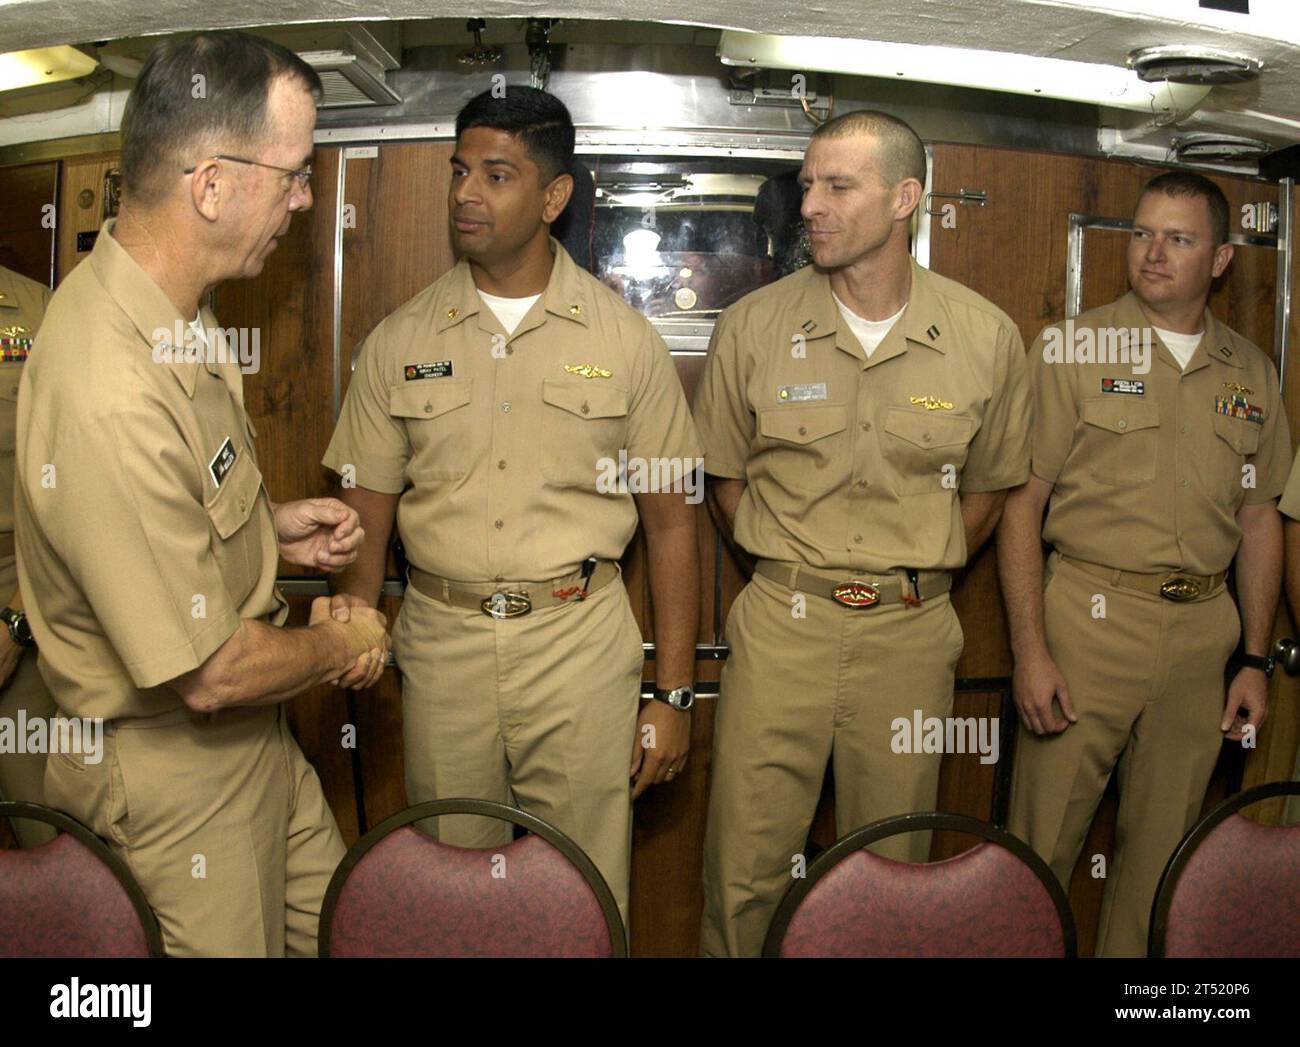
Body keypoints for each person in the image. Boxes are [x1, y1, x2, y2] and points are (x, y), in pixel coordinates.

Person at [16, 30, 390, 957]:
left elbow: (164, 523)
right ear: (213, 185)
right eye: (296, 174)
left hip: (251, 750)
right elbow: (211, 670)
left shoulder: (178, 307)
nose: (304, 200)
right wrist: (342, 639)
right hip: (174, 781)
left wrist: (268, 533)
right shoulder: (107, 382)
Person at [322, 86, 701, 931]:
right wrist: (347, 633)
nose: (466, 192)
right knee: (452, 889)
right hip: (442, 647)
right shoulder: (400, 341)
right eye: (460, 171)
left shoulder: (625, 341)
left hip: (579, 646)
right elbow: (363, 517)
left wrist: (674, 693)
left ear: (554, 196)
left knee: (582, 892)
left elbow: (675, 524)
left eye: (497, 174)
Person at [693, 109, 1031, 957]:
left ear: (905, 197)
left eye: (839, 185)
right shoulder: (753, 326)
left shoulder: (984, 337)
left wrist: (912, 568)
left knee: (891, 878)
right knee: (744, 874)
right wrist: (790, 565)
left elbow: (989, 492)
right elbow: (724, 481)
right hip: (782, 628)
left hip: (908, 636)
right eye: (808, 184)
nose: (811, 204)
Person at [1000, 171, 1291, 958]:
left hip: (1201, 637)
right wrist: (1030, 649)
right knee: (1040, 852)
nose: (1152, 253)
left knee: (1159, 869)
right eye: (1141, 234)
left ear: (1222, 259)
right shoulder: (1071, 347)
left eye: (1179, 239)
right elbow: (1021, 505)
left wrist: (1254, 658)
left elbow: (1260, 519)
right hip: (1089, 622)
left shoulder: (1252, 372)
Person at [0, 264, 58, 847]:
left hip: (20, 595)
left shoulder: (41, 314)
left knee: (49, 839)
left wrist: (17, 621)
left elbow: (73, 484)